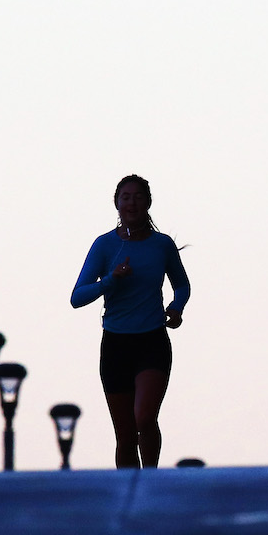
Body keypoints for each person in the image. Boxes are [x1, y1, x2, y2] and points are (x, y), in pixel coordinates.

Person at [70, 174, 190, 469]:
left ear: (148, 203)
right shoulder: (104, 246)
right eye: (126, 197)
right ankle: (128, 493)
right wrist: (111, 281)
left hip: (151, 340)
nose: (132, 202)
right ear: (117, 204)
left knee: (145, 417)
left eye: (138, 196)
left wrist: (176, 308)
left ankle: (150, 477)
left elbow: (182, 285)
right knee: (125, 435)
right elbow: (77, 296)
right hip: (116, 344)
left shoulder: (161, 245)